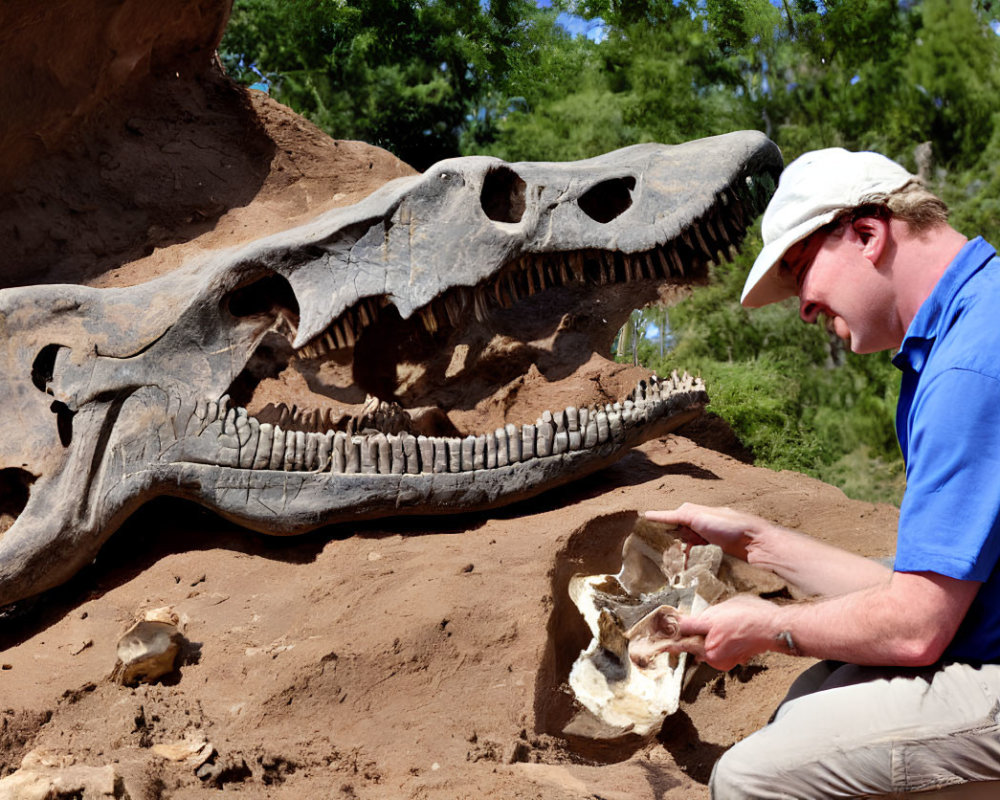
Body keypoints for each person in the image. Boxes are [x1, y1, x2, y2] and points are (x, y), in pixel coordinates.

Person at [645, 147, 1000, 798]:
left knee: (753, 777)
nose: (803, 308)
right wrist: (754, 541)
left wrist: (763, 628)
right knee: (813, 696)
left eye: (801, 269)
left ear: (867, 233)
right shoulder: (969, 329)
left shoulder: (970, 368)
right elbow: (921, 596)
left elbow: (917, 628)